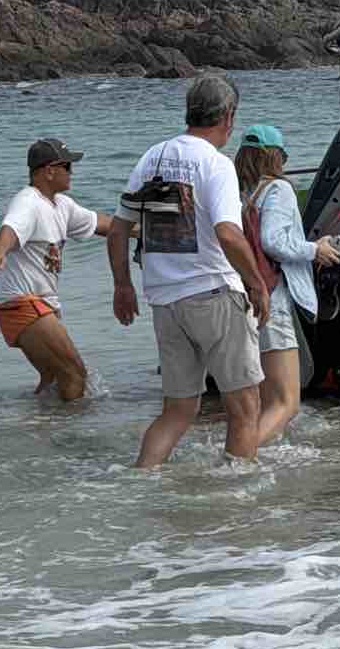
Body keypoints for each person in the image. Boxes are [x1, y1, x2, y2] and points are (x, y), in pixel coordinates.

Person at [107, 71, 271, 468]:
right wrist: (257, 283)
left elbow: (118, 229)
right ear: (228, 116)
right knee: (245, 410)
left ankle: (140, 482)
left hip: (165, 301)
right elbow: (229, 235)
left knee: (177, 411)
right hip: (214, 293)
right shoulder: (215, 164)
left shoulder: (153, 157)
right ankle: (240, 499)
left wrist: (122, 287)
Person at [0, 138, 117, 402]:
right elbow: (9, 229)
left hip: (36, 308)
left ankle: (40, 429)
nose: (72, 172)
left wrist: (146, 232)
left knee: (54, 378)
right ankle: (68, 434)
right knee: (76, 375)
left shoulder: (62, 205)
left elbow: (103, 223)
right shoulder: (28, 201)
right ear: (49, 171)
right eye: (67, 166)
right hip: (23, 306)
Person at [235, 122, 340, 448]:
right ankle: (238, 457)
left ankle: (261, 457)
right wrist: (316, 249)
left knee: (268, 402)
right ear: (275, 157)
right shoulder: (278, 189)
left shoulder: (240, 193)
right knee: (287, 404)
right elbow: (273, 241)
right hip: (274, 299)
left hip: (245, 297)